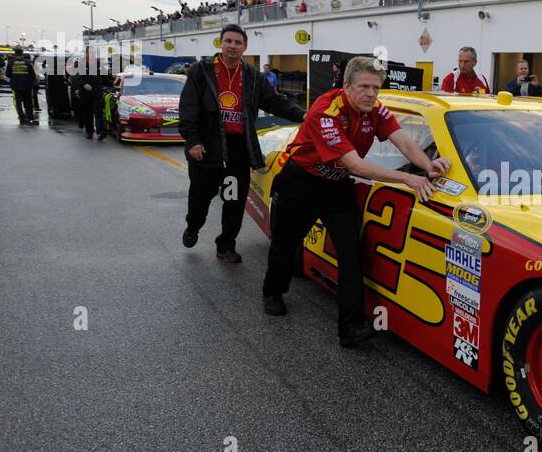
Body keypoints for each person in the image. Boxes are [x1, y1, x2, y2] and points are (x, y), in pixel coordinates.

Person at [261, 56, 449, 343]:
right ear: (346, 86)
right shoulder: (326, 110)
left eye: (376, 88)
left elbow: (404, 141)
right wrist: (408, 178)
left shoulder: (376, 109)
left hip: (336, 186)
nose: (371, 94)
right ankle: (273, 292)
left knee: (351, 252)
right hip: (302, 182)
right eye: (364, 87)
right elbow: (356, 166)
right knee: (285, 245)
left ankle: (350, 327)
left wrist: (426, 165)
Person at [179, 24, 306, 264]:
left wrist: (303, 115)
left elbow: (275, 102)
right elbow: (188, 107)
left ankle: (225, 245)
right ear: (221, 43)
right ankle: (193, 226)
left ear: (245, 47)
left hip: (237, 150)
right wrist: (193, 140)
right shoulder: (202, 71)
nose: (233, 46)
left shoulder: (252, 76)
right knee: (201, 197)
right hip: (207, 148)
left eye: (238, 43)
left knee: (234, 200)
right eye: (228, 41)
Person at [4, 47, 38, 127]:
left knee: (18, 102)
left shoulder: (11, 63)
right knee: (28, 102)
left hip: (16, 85)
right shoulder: (28, 62)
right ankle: (30, 118)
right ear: (22, 54)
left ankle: (21, 117)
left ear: (15, 54)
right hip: (27, 85)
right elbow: (33, 74)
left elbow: (8, 74)